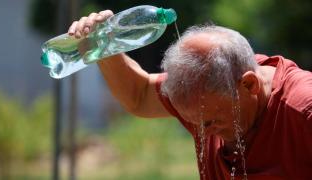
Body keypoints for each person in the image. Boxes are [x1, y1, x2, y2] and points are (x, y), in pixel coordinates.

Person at [68, 10, 312, 179]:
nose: (204, 132)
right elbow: (140, 96)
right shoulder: (201, 95)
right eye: (195, 123)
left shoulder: (303, 111)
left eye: (211, 122)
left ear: (249, 85)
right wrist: (105, 47)